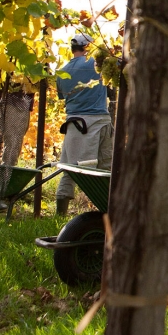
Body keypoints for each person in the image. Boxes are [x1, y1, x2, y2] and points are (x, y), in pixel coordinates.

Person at [55, 33, 114, 216]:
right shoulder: (95, 64)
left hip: (76, 125)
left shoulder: (62, 71)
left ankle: (60, 214)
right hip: (100, 123)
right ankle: (107, 211)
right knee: (106, 169)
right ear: (88, 47)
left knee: (70, 169)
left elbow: (62, 96)